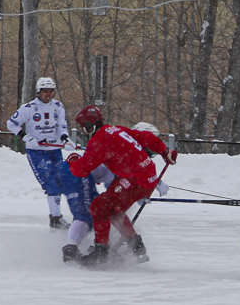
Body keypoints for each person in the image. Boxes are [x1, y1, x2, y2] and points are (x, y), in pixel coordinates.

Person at [66, 105, 176, 267]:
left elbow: (81, 170)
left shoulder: (98, 141)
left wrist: (72, 161)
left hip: (136, 179)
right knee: (113, 209)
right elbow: (145, 137)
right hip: (143, 175)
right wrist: (165, 151)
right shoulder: (115, 129)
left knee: (99, 206)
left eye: (83, 126)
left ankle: (101, 252)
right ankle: (136, 246)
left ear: (90, 125)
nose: (82, 131)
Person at [7, 77, 71, 229]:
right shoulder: (29, 108)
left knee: (60, 182)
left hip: (54, 150)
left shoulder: (58, 107)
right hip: (37, 152)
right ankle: (56, 218)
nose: (48, 95)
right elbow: (11, 123)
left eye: (50, 91)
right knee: (50, 184)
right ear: (39, 92)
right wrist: (25, 137)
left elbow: (62, 126)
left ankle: (57, 216)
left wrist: (65, 139)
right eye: (45, 91)